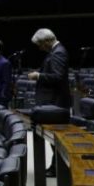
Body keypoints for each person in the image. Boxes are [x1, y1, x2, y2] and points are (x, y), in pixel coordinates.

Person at [28, 28, 71, 177]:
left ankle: (58, 168)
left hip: (56, 102)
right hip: (53, 101)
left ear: (47, 41)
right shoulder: (55, 51)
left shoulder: (58, 52)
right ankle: (56, 167)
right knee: (53, 139)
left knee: (55, 139)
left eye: (40, 44)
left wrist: (39, 75)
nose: (40, 48)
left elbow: (58, 77)